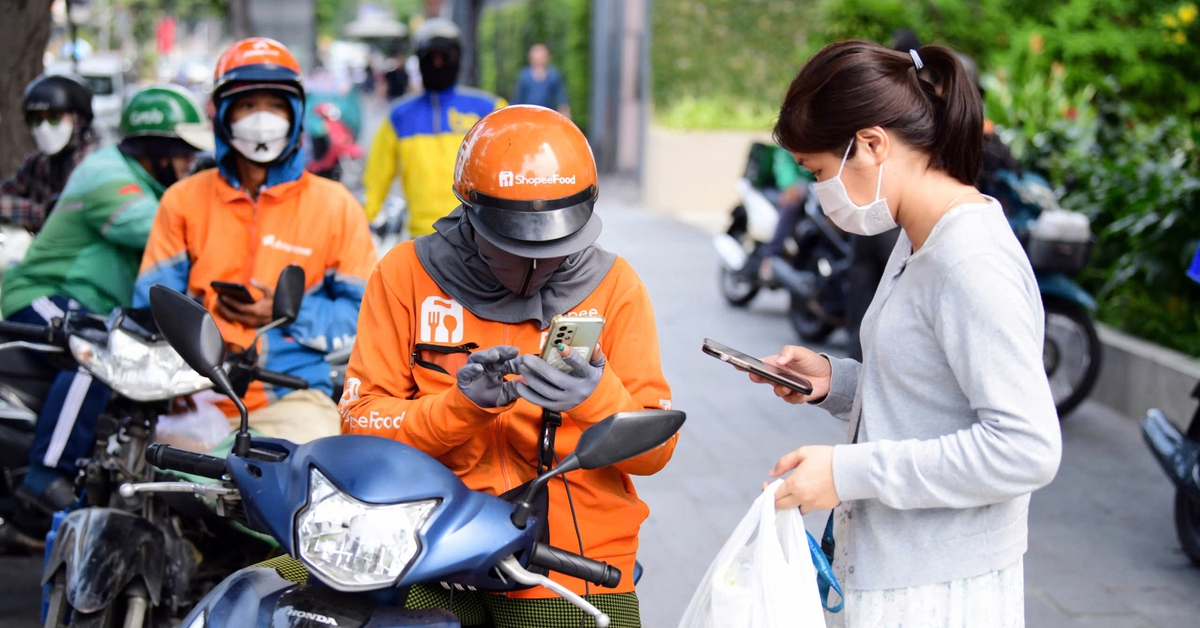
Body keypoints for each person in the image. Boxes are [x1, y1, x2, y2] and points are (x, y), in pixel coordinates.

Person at [750, 41, 1061, 627]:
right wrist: (834, 381)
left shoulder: (969, 261)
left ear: (872, 144)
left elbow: (1026, 448)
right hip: (895, 570)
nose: (821, 192)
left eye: (819, 172)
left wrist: (847, 473)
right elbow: (932, 394)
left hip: (936, 589)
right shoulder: (917, 236)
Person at [341, 105, 676, 626]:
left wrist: (595, 399)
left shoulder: (616, 285)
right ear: (470, 213)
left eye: (556, 249)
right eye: (514, 248)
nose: (536, 265)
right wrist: (460, 406)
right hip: (423, 545)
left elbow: (656, 452)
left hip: (571, 564)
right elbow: (359, 421)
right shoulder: (404, 274)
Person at [134, 38, 377, 443]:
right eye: (248, 106)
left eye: (275, 106)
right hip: (189, 400)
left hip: (294, 398)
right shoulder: (183, 200)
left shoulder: (337, 206)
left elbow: (367, 319)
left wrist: (286, 313)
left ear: (296, 114)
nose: (262, 120)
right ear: (224, 115)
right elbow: (151, 305)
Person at [1, 85, 212, 512]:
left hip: (89, 307)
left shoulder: (150, 186)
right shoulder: (109, 176)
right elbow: (170, 236)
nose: (190, 164)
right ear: (156, 148)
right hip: (41, 292)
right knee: (98, 348)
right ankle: (47, 474)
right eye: (184, 153)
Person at [361, 18, 506, 236]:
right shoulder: (399, 117)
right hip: (423, 240)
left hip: (479, 236)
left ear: (458, 58)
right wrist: (364, 225)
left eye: (445, 56)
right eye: (430, 57)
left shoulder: (490, 110)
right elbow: (375, 178)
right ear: (419, 60)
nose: (437, 63)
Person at [0, 74, 100, 233]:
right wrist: (41, 212)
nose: (43, 128)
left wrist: (42, 212)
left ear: (78, 118)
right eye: (36, 120)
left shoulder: (93, 163)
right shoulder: (37, 162)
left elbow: (66, 215)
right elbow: (6, 194)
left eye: (54, 118)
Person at [513, 43, 570, 117]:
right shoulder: (524, 76)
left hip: (548, 118)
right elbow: (517, 100)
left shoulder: (554, 75)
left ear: (547, 57)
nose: (538, 58)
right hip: (527, 117)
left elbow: (561, 100)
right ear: (530, 57)